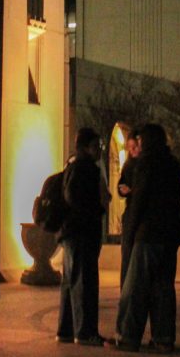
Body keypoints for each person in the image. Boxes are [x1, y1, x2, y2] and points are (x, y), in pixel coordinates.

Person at [110, 123, 180, 353]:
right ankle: (163, 337)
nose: (138, 146)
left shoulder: (146, 164)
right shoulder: (174, 165)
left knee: (135, 287)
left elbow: (139, 201)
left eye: (140, 142)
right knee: (163, 287)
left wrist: (130, 235)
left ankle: (127, 337)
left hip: (148, 233)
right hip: (170, 233)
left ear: (147, 141)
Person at [56, 128, 108, 345]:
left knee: (71, 281)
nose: (100, 151)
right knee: (84, 282)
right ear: (86, 147)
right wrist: (96, 209)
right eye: (96, 146)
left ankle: (66, 330)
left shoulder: (72, 165)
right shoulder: (85, 168)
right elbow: (74, 197)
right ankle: (85, 332)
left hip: (71, 232)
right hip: (82, 232)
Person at [117, 131, 141, 286]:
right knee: (127, 253)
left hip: (139, 215)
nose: (132, 151)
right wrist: (122, 189)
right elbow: (121, 183)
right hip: (131, 212)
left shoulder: (145, 165)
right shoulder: (128, 165)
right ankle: (126, 288)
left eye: (134, 147)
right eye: (129, 148)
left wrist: (133, 191)